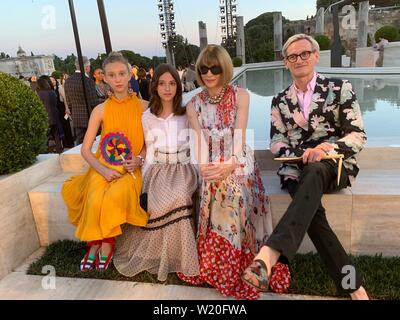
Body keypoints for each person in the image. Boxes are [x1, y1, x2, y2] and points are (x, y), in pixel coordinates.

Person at [242, 34, 369, 300]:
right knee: (316, 219)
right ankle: (354, 288)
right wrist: (302, 154)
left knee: (315, 170)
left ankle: (269, 253)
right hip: (295, 170)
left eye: (303, 54)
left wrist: (325, 150)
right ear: (285, 63)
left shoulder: (340, 87)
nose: (298, 60)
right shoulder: (279, 101)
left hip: (333, 166)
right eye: (292, 56)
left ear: (315, 55)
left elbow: (357, 135)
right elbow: (276, 142)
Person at [184, 44, 288, 300]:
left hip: (237, 156)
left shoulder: (241, 95)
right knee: (217, 185)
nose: (209, 74)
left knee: (232, 189)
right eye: (203, 68)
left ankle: (238, 261)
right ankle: (223, 262)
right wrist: (203, 167)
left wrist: (231, 163)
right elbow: (198, 141)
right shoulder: (193, 104)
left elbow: (239, 136)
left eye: (215, 68)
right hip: (208, 159)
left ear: (225, 68)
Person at [61, 52, 149, 272]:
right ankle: (94, 244)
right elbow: (85, 149)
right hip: (101, 167)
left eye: (121, 73)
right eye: (112, 75)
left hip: (129, 170)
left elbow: (151, 143)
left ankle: (106, 245)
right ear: (104, 78)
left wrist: (138, 159)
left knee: (113, 196)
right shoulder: (100, 110)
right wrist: (101, 170)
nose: (118, 79)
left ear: (130, 75)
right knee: (93, 196)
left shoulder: (144, 107)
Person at [114, 64, 199, 281]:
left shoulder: (187, 112)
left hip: (184, 168)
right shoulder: (147, 117)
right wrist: (144, 173)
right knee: (156, 203)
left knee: (179, 195)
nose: (167, 88)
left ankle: (182, 255)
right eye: (162, 83)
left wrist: (199, 171)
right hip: (158, 169)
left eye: (172, 83)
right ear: (155, 86)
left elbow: (195, 143)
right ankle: (159, 253)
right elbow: (148, 148)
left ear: (178, 87)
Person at [64, 56, 100, 145]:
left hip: (77, 118)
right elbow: (94, 102)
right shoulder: (88, 81)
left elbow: (69, 101)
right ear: (87, 67)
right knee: (93, 145)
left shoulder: (68, 81)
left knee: (79, 145)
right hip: (90, 117)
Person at [36, 75, 64, 153]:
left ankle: (44, 152)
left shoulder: (40, 94)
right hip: (54, 117)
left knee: (45, 138)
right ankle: (59, 150)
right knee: (56, 135)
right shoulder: (52, 92)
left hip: (46, 118)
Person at [50, 76, 75, 148]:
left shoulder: (59, 88)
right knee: (61, 127)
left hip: (62, 109)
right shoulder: (51, 90)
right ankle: (65, 143)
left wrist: (67, 109)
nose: (52, 82)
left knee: (66, 125)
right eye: (51, 81)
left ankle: (70, 143)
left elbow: (65, 98)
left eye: (53, 80)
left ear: (55, 81)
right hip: (56, 111)